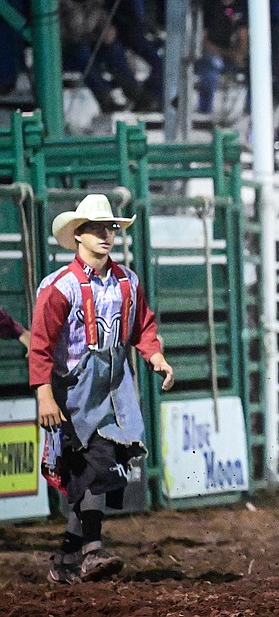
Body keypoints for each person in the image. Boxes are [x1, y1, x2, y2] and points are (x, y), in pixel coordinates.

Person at [29, 194, 174, 584]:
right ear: (78, 235)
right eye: (96, 228)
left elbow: (143, 324)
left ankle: (67, 559)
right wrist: (44, 392)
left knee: (100, 465)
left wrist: (153, 354)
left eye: (110, 228)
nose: (106, 235)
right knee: (93, 466)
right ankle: (92, 552)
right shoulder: (60, 287)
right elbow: (41, 343)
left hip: (114, 386)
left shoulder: (128, 281)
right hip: (73, 389)